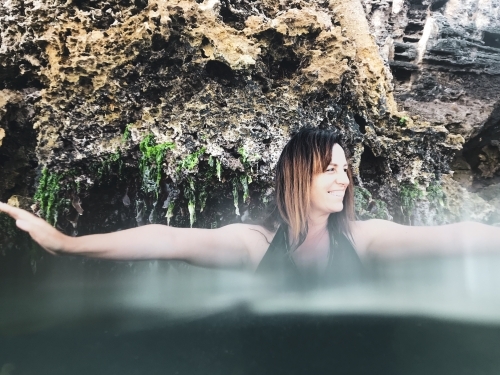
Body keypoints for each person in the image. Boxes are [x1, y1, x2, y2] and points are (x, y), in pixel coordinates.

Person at [1, 128, 499, 279]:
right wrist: (67, 244)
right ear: (295, 175)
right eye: (329, 169)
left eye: (345, 169)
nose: (343, 179)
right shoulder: (255, 244)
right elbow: (165, 238)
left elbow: (458, 235)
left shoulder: (365, 237)